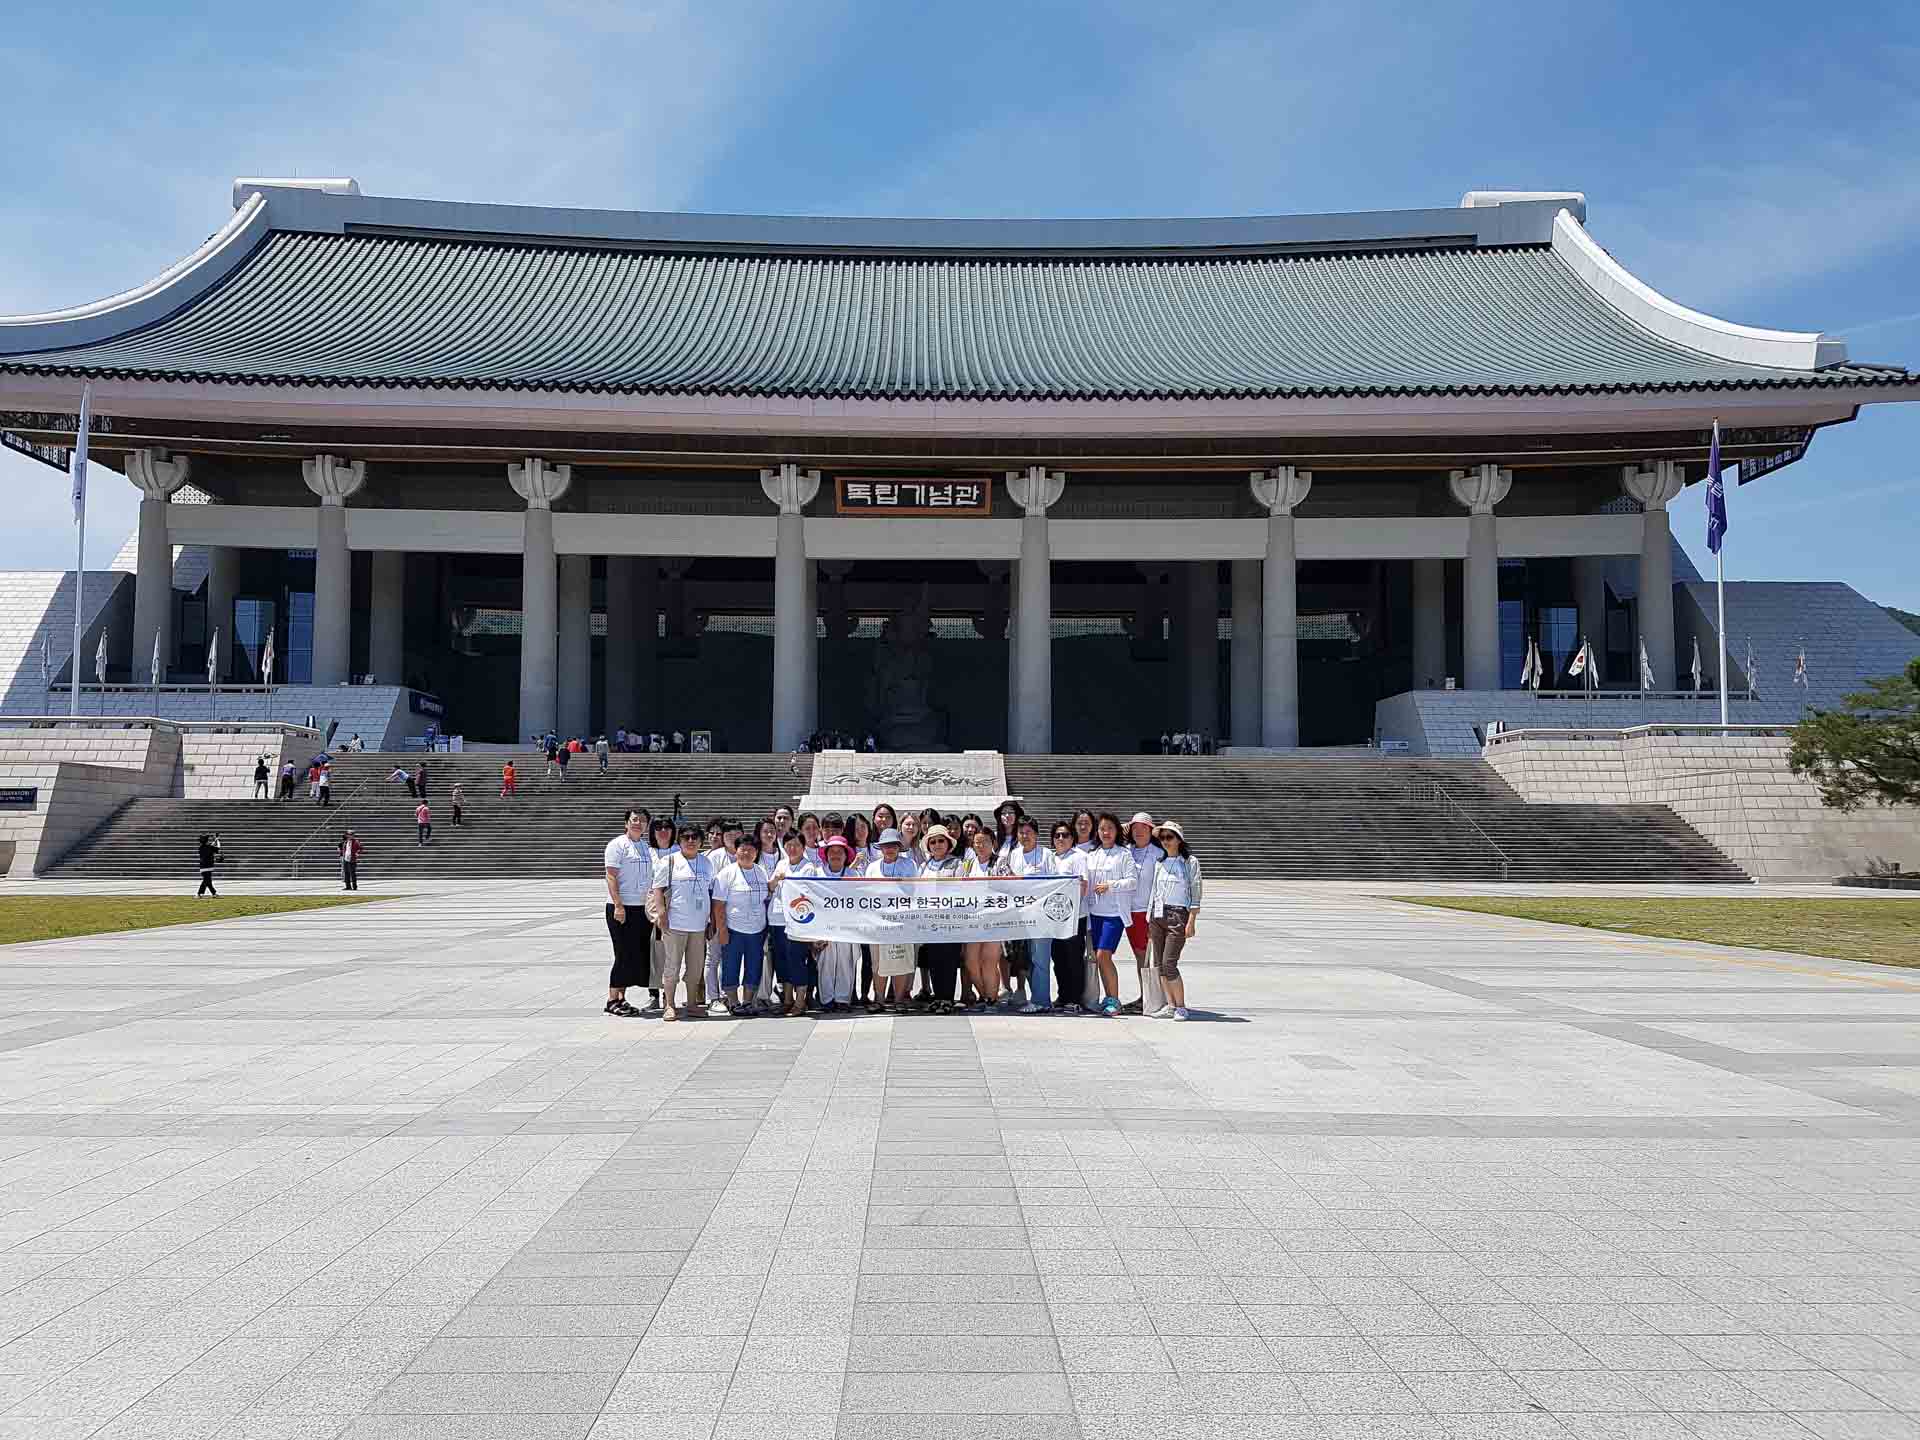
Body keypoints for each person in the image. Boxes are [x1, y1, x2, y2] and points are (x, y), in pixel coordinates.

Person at [650, 823, 715, 1021]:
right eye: (686, 837)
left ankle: (692, 1003)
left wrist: (710, 920)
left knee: (695, 968)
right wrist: (661, 914)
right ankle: (669, 1004)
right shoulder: (669, 862)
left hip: (698, 925)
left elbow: (710, 892)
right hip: (675, 923)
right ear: (679, 841)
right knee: (672, 966)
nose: (691, 841)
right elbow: (658, 890)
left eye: (695, 837)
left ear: (701, 841)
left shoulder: (706, 863)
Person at [710, 833, 770, 1017]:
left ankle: (747, 1001)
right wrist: (722, 930)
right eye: (742, 849)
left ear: (757, 852)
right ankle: (733, 1002)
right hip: (734, 930)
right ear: (736, 851)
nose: (746, 853)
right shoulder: (727, 873)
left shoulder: (761, 871)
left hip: (757, 930)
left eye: (751, 849)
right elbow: (718, 905)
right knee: (731, 966)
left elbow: (766, 898)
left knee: (754, 966)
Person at [1147, 820, 1202, 1021]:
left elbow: (1196, 890)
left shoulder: (1189, 863)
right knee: (1159, 964)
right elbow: (1154, 892)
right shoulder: (1159, 863)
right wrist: (1149, 919)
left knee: (1170, 963)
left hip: (1178, 915)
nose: (1165, 841)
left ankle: (1181, 1006)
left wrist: (1192, 920)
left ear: (1179, 840)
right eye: (1162, 837)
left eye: (1169, 837)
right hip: (1158, 915)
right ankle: (1170, 1005)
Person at [1002, 815, 1057, 1013]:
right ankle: (1036, 998)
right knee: (1026, 958)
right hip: (1020, 914)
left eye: (1029, 832)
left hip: (1041, 914)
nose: (1025, 836)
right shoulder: (1014, 854)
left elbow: (1054, 883)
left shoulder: (1046, 855)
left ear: (1036, 834)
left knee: (1040, 958)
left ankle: (1041, 1001)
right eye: (1021, 832)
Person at [1084, 813, 1135, 1017]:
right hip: (1094, 912)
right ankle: (1107, 998)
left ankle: (1114, 999)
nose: (1106, 833)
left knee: (1103, 955)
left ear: (1117, 831)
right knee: (1098, 958)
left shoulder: (1124, 854)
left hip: (1113, 914)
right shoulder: (1092, 854)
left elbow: (1132, 881)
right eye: (1102, 829)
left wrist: (1111, 886)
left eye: (1110, 829)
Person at [602, 809, 651, 1018]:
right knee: (622, 953)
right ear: (626, 823)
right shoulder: (617, 845)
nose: (638, 823)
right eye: (634, 820)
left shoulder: (646, 847)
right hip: (622, 908)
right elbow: (611, 876)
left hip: (642, 908)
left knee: (633, 954)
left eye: (642, 820)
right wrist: (618, 905)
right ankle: (612, 999)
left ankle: (622, 998)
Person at [866, 828, 919, 1014]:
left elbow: (915, 890)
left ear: (899, 847)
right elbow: (867, 894)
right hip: (878, 921)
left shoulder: (909, 865)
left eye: (893, 845)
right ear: (880, 847)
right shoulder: (872, 867)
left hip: (902, 921)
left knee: (901, 960)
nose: (889, 849)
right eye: (885, 845)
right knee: (878, 962)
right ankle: (879, 999)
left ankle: (898, 999)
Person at [767, 830, 815, 1016]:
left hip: (797, 921)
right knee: (782, 960)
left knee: (797, 960)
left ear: (803, 847)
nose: (792, 848)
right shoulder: (781, 863)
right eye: (788, 844)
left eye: (796, 844)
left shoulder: (808, 867)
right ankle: (787, 999)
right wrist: (776, 878)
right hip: (777, 918)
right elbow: (770, 887)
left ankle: (800, 1000)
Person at [811, 837, 861, 1010]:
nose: (836, 855)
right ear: (826, 854)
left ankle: (843, 999)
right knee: (826, 963)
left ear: (846, 855)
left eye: (840, 852)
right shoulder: (816, 873)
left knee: (846, 963)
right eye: (832, 851)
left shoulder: (853, 875)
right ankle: (826, 1000)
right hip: (824, 926)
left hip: (847, 926)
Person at [1123, 812, 1166, 1014]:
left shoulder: (1159, 852)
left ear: (1151, 830)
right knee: (1141, 958)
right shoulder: (1126, 851)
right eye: (1135, 828)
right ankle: (1145, 997)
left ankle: (1160, 998)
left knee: (1155, 958)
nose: (1138, 831)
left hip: (1149, 913)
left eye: (1143, 827)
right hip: (1131, 912)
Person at [917, 826, 964, 1013]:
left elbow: (961, 889)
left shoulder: (956, 864)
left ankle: (948, 998)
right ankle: (937, 997)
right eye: (933, 841)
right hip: (930, 920)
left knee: (949, 959)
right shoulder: (924, 866)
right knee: (934, 959)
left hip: (950, 918)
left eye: (941, 841)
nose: (937, 845)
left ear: (948, 844)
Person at [960, 828, 1005, 1010]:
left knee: (989, 961)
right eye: (977, 842)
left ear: (992, 843)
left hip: (994, 918)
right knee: (971, 961)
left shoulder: (1000, 862)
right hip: (973, 918)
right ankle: (984, 995)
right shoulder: (968, 864)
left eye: (985, 841)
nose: (980, 845)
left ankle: (992, 999)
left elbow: (1010, 886)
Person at [1050, 821, 1090, 1013]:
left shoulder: (1078, 857)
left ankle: (1075, 998)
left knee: (1074, 957)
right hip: (1053, 917)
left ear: (1072, 838)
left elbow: (1082, 885)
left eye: (1065, 835)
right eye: (1057, 835)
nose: (1060, 839)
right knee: (1058, 958)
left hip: (1074, 916)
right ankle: (1063, 994)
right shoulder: (1050, 858)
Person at [642, 814, 679, 1014]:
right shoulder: (648, 852)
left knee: (668, 952)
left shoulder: (679, 851)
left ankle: (668, 994)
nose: (663, 832)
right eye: (658, 828)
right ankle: (654, 993)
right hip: (651, 906)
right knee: (653, 951)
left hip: (675, 905)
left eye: (667, 827)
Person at [196, 832, 222, 897]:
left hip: (202, 867)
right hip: (209, 866)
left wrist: (215, 840)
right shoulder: (210, 847)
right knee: (206, 881)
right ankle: (199, 894)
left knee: (207, 881)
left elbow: (210, 846)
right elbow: (218, 848)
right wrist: (217, 840)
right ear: (207, 841)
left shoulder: (200, 848)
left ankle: (213, 894)